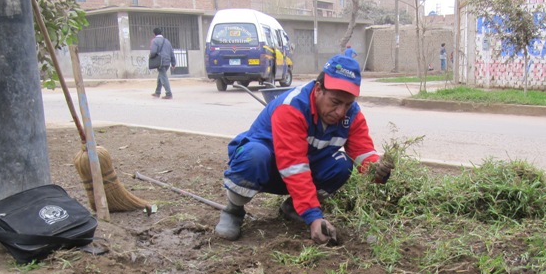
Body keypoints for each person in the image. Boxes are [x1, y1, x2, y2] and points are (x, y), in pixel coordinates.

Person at [215, 54, 393, 244]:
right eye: (335, 102)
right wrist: (313, 216)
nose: (341, 112)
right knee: (254, 156)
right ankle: (233, 210)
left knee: (342, 164)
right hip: (266, 168)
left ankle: (292, 208)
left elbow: (363, 152)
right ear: (318, 90)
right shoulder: (292, 107)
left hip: (301, 170)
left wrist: (377, 168)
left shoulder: (352, 115)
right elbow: (293, 165)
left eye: (347, 104)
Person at [150, 27, 176, 99]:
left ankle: (168, 94)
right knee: (160, 76)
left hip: (160, 62)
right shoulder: (167, 41)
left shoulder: (155, 41)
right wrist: (173, 63)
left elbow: (153, 52)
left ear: (154, 34)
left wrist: (151, 57)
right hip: (167, 61)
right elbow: (171, 52)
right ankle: (157, 92)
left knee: (163, 77)